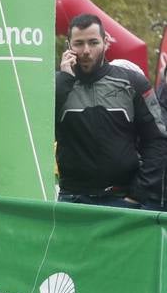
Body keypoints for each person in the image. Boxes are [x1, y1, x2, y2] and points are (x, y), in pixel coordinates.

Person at [56, 14, 160, 208]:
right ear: (68, 45)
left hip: (122, 199)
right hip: (72, 199)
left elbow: (158, 140)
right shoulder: (56, 85)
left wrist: (138, 193)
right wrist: (64, 80)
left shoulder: (134, 83)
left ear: (105, 42)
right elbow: (35, 130)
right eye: (79, 44)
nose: (86, 50)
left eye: (93, 42)